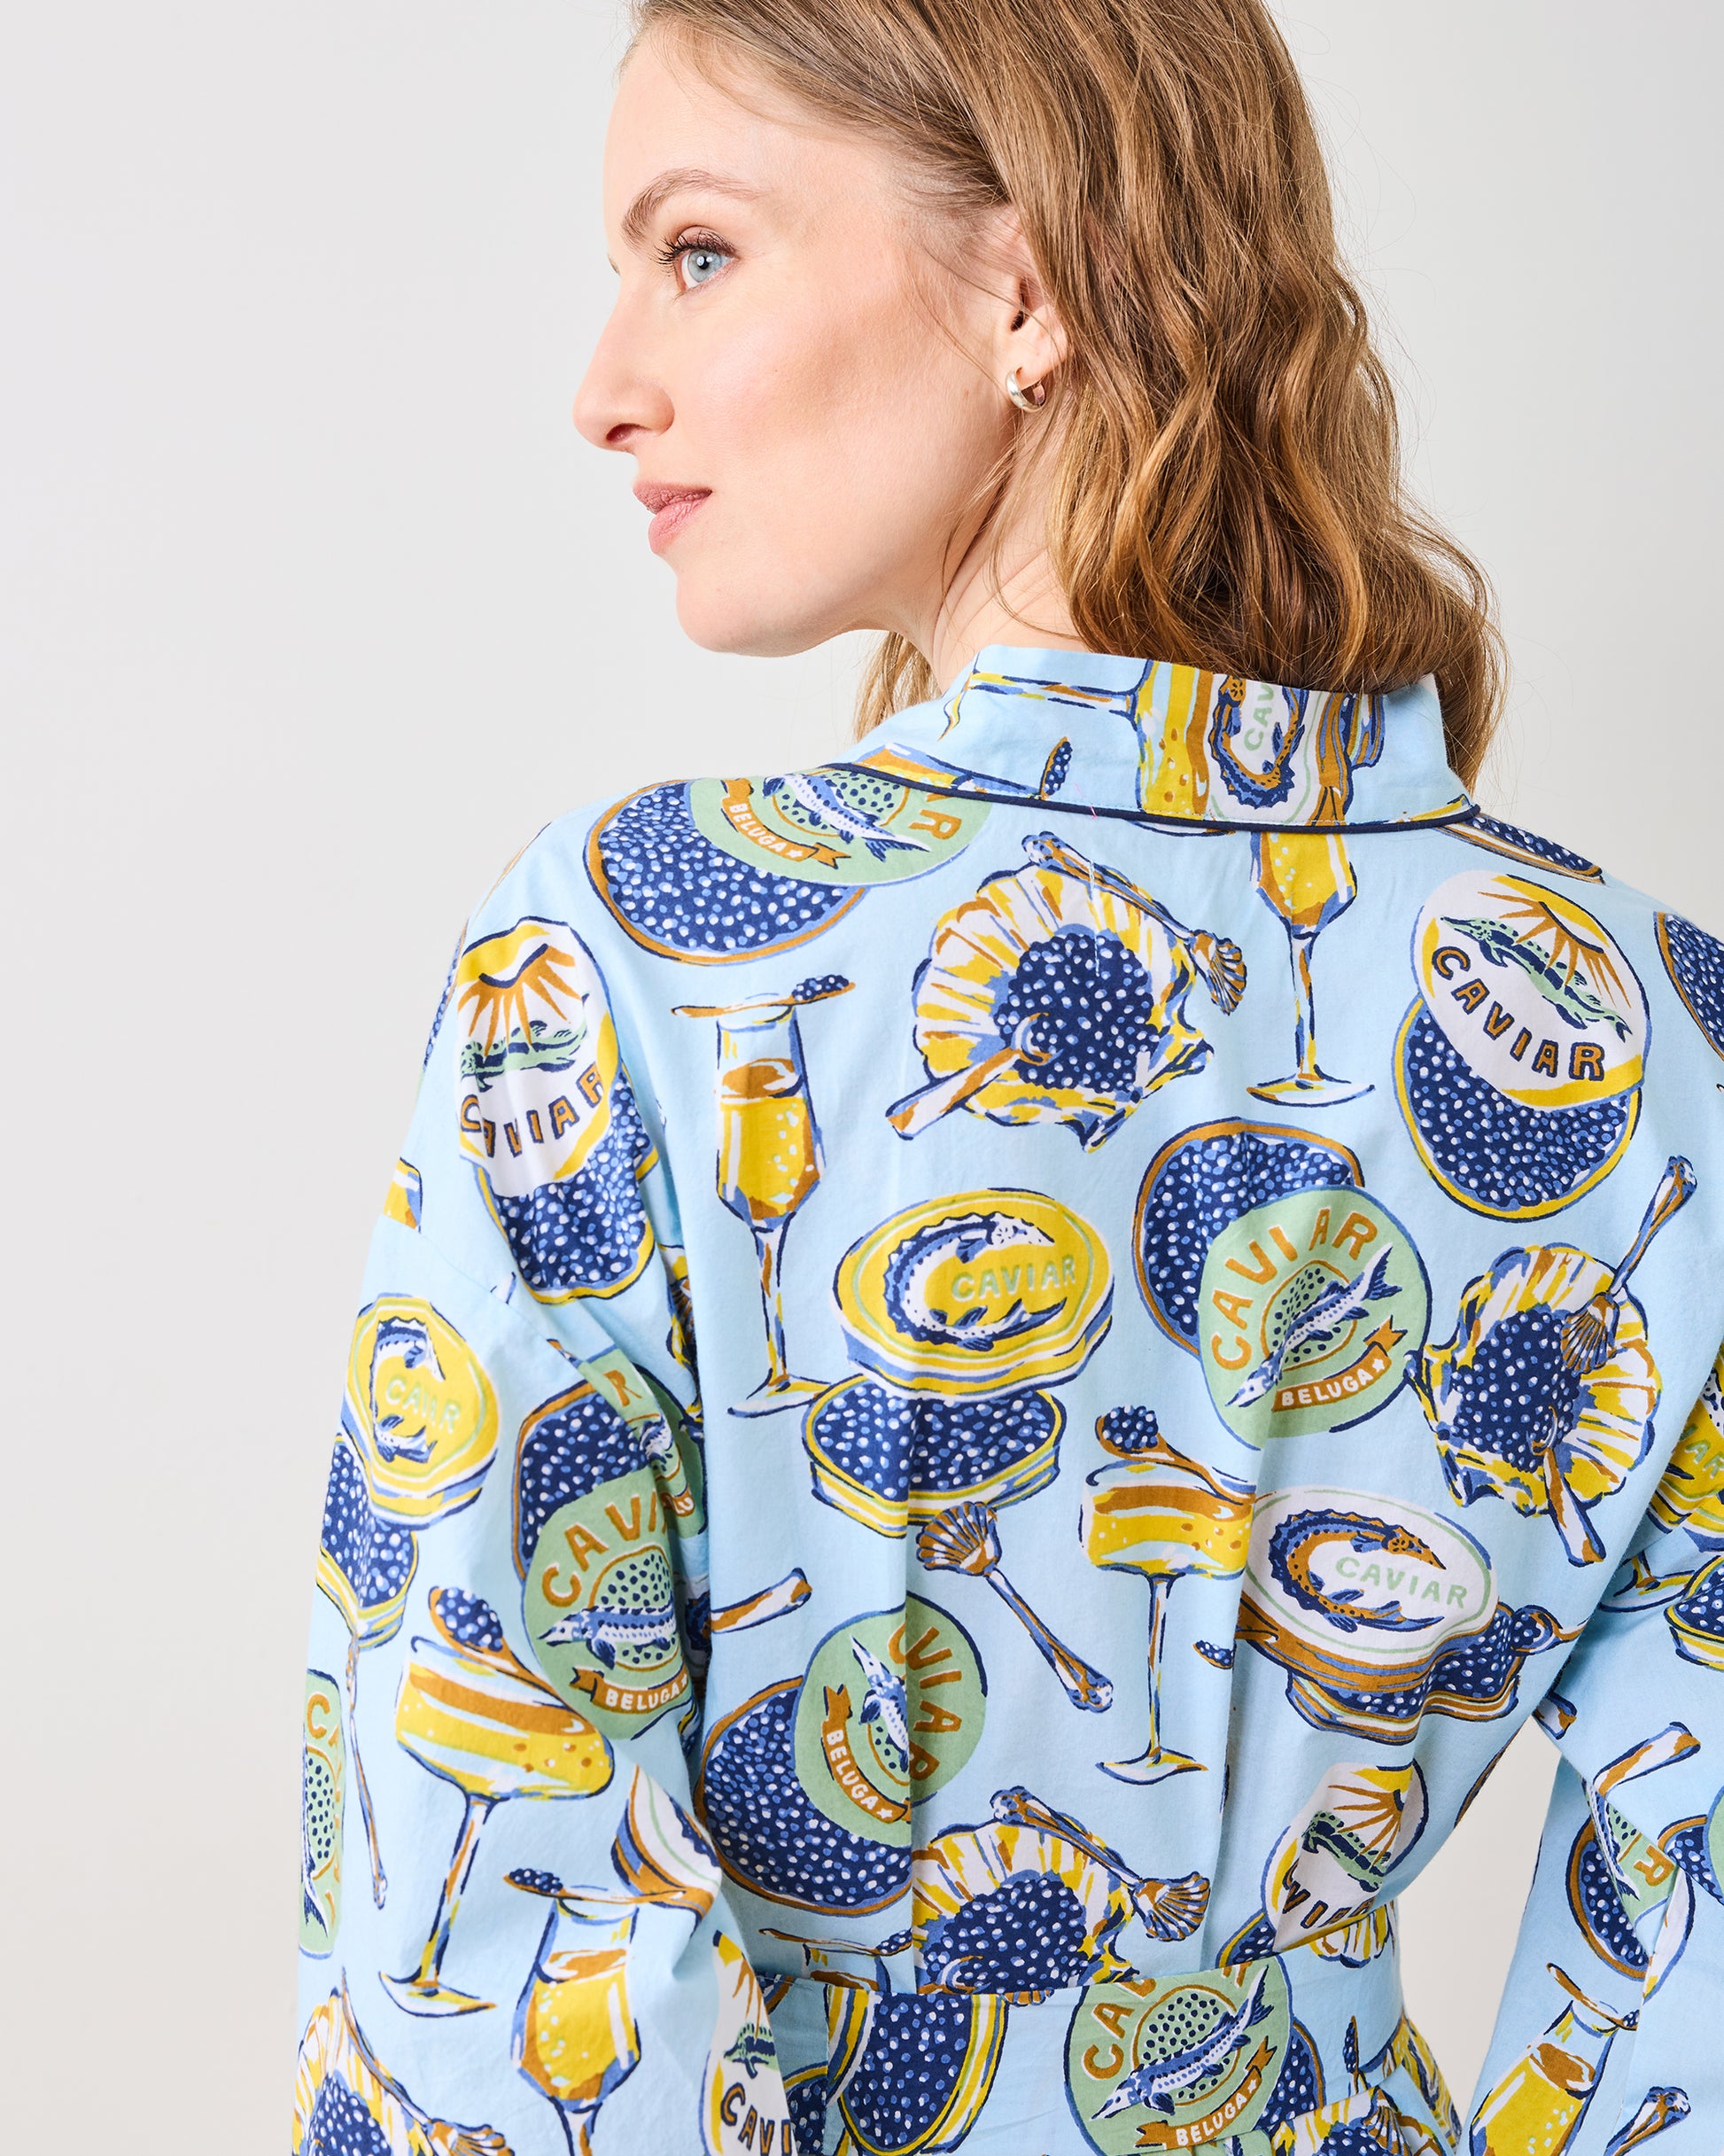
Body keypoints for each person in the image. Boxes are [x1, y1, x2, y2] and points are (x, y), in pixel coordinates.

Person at [289, 3, 1724, 2152]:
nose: (604, 386)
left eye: (698, 252)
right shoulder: (1661, 1026)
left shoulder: (633, 961)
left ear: (1025, 286)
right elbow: (1682, 1986)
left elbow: (481, 1949)